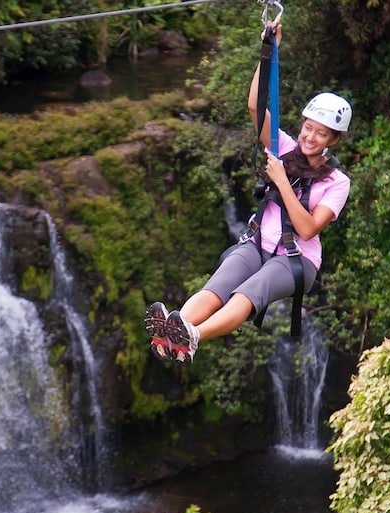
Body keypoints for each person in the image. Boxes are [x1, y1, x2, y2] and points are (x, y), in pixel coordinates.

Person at [145, 24, 351, 364]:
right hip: (257, 243)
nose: (310, 137)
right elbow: (256, 107)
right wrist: (267, 52)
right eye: (308, 128)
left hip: (295, 259)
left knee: (248, 293)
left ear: (334, 140)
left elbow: (309, 229)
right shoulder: (284, 146)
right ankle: (172, 330)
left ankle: (192, 336)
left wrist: (282, 181)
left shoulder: (337, 181)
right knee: (217, 286)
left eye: (321, 133)